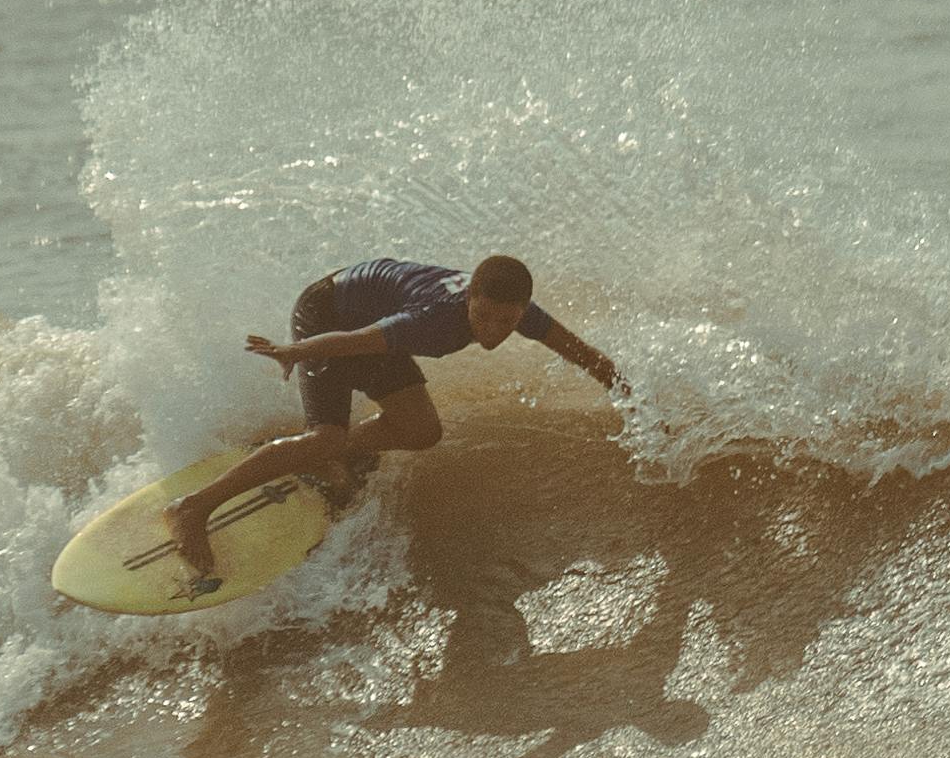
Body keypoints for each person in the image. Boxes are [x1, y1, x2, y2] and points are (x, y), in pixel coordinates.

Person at [167, 254, 621, 592]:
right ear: (469, 300)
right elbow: (357, 340)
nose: (492, 331)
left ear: (522, 311)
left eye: (507, 321)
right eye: (482, 316)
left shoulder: (517, 311)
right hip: (328, 314)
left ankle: (315, 454)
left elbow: (579, 352)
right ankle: (192, 507)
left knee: (421, 431)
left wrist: (637, 401)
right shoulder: (433, 318)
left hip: (368, 321)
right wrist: (294, 352)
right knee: (327, 435)